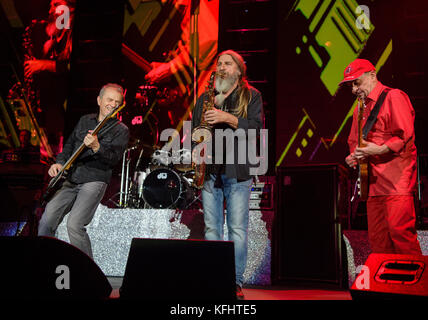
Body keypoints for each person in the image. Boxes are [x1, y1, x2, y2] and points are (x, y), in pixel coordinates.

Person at [192, 50, 264, 299]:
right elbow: (195, 131)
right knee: (212, 228)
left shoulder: (252, 96)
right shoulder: (205, 98)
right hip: (209, 170)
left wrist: (228, 118)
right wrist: (195, 152)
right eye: (219, 63)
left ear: (239, 70)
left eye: (228, 63)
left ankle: (234, 282)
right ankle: (214, 278)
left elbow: (256, 129)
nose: (222, 67)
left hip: (237, 169)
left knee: (237, 229)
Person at [38, 83, 129, 258]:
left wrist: (97, 147)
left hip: (95, 179)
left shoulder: (121, 130)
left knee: (75, 225)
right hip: (71, 176)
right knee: (47, 220)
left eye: (117, 102)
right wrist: (59, 163)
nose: (113, 104)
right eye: (109, 99)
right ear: (99, 100)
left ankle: (88, 272)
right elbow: (69, 145)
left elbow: (113, 160)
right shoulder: (85, 120)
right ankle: (44, 262)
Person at [343, 59, 422, 255]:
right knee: (378, 239)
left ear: (372, 75)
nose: (353, 89)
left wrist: (377, 150)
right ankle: (386, 285)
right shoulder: (359, 108)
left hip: (396, 180)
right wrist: (354, 156)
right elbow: (354, 139)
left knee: (400, 233)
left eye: (357, 82)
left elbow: (405, 134)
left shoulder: (393, 97)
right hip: (373, 183)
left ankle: (414, 286)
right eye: (350, 85)